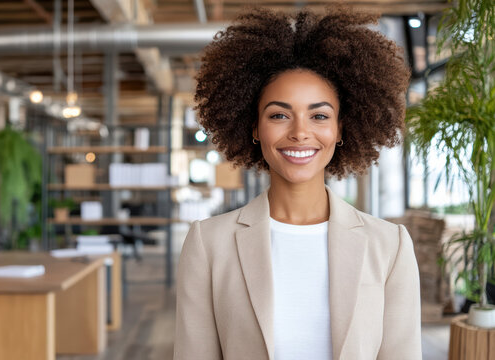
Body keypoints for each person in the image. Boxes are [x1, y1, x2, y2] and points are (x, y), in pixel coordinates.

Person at [174, 5, 421, 360]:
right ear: (255, 128)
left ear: (340, 130)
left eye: (319, 115)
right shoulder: (208, 245)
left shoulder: (390, 247)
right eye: (279, 115)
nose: (300, 132)